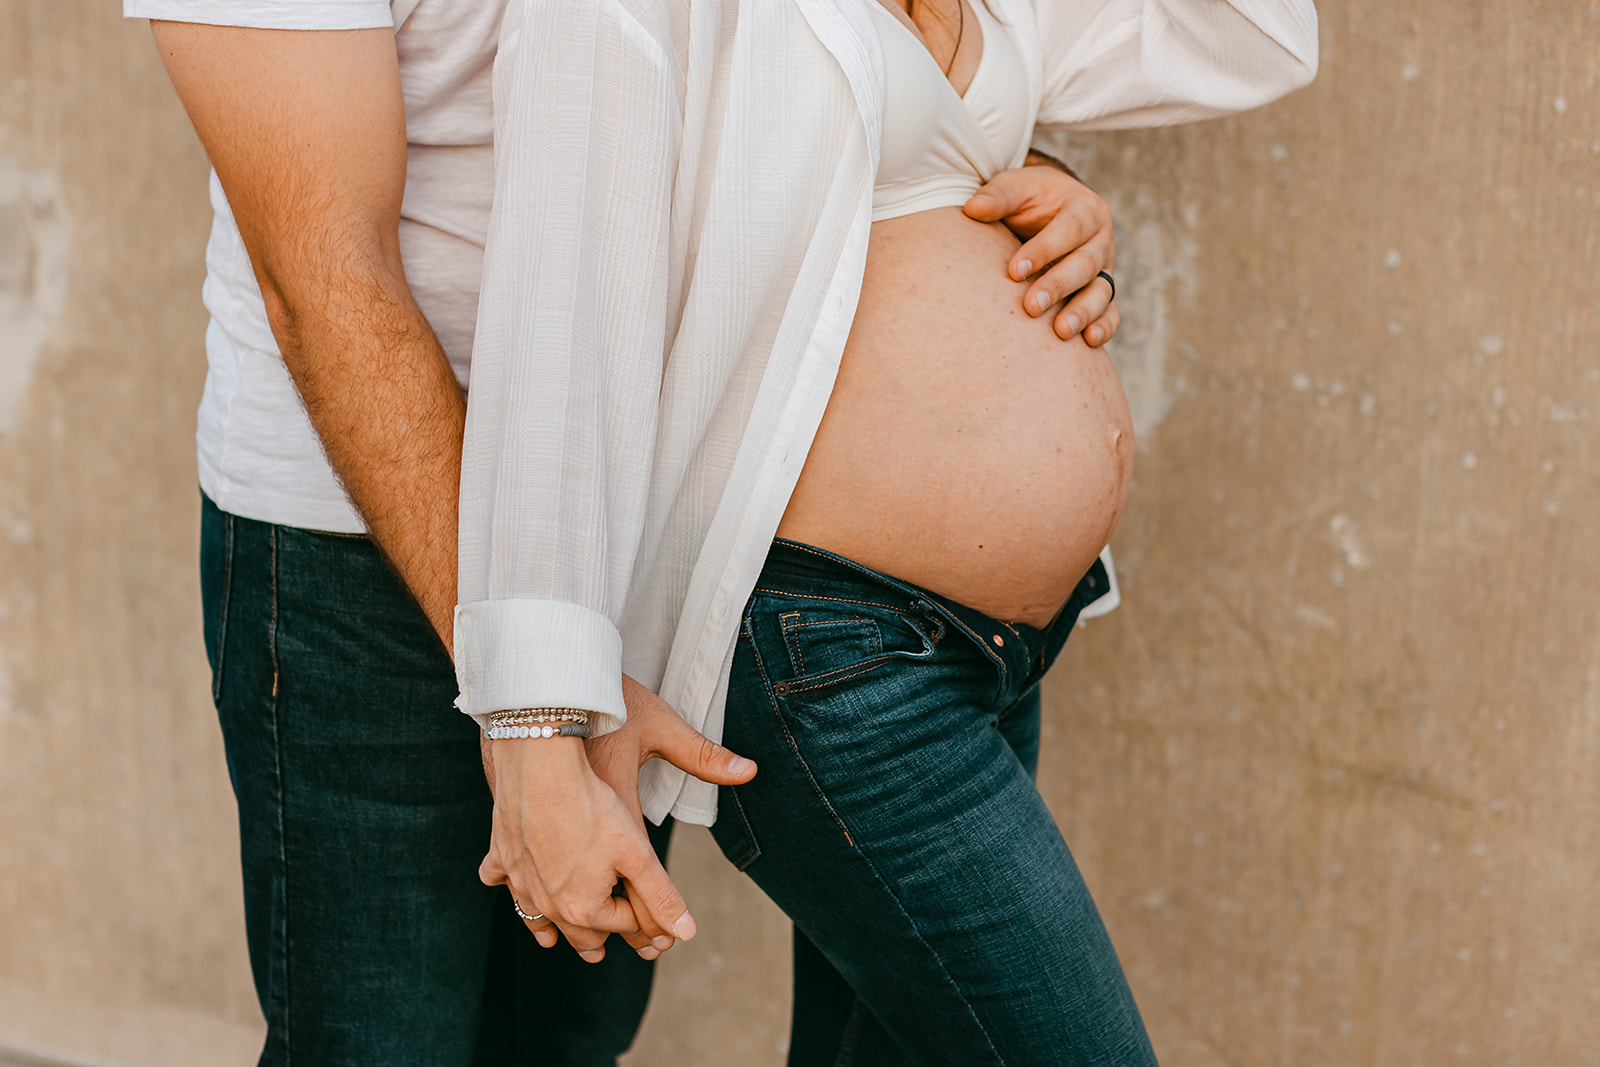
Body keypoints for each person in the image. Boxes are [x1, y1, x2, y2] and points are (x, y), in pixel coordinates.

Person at [458, 0, 1317, 1062]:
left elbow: (1260, 35)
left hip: (993, 651)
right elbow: (561, 313)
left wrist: (1035, 180)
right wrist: (534, 727)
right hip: (832, 653)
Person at [128, 1, 748, 1062]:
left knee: (560, 1035)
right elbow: (323, 277)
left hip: (609, 516)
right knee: (382, 1042)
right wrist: (534, 698)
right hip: (353, 552)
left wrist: (1006, 152)